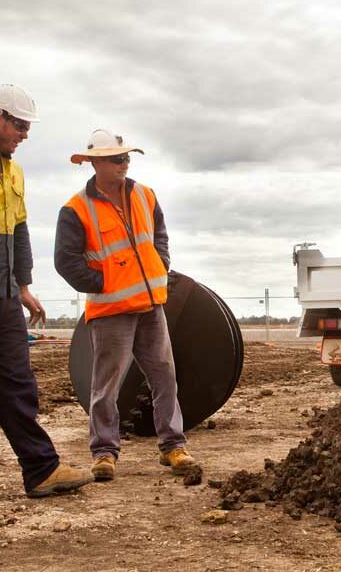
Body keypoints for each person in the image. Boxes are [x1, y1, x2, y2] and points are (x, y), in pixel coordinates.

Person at [54, 128, 196, 482]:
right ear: (96, 163)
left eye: (127, 157)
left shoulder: (145, 195)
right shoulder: (76, 209)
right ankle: (104, 452)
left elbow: (159, 235)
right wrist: (103, 283)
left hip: (151, 306)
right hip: (111, 311)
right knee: (106, 384)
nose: (125, 162)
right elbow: (65, 260)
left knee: (165, 376)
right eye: (117, 158)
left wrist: (160, 261)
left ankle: (173, 446)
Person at [0, 84, 93, 498]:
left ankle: (40, 469)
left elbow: (18, 232)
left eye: (26, 127)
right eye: (18, 125)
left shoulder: (14, 173)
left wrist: (22, 286)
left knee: (18, 382)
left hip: (3, 297)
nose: (24, 134)